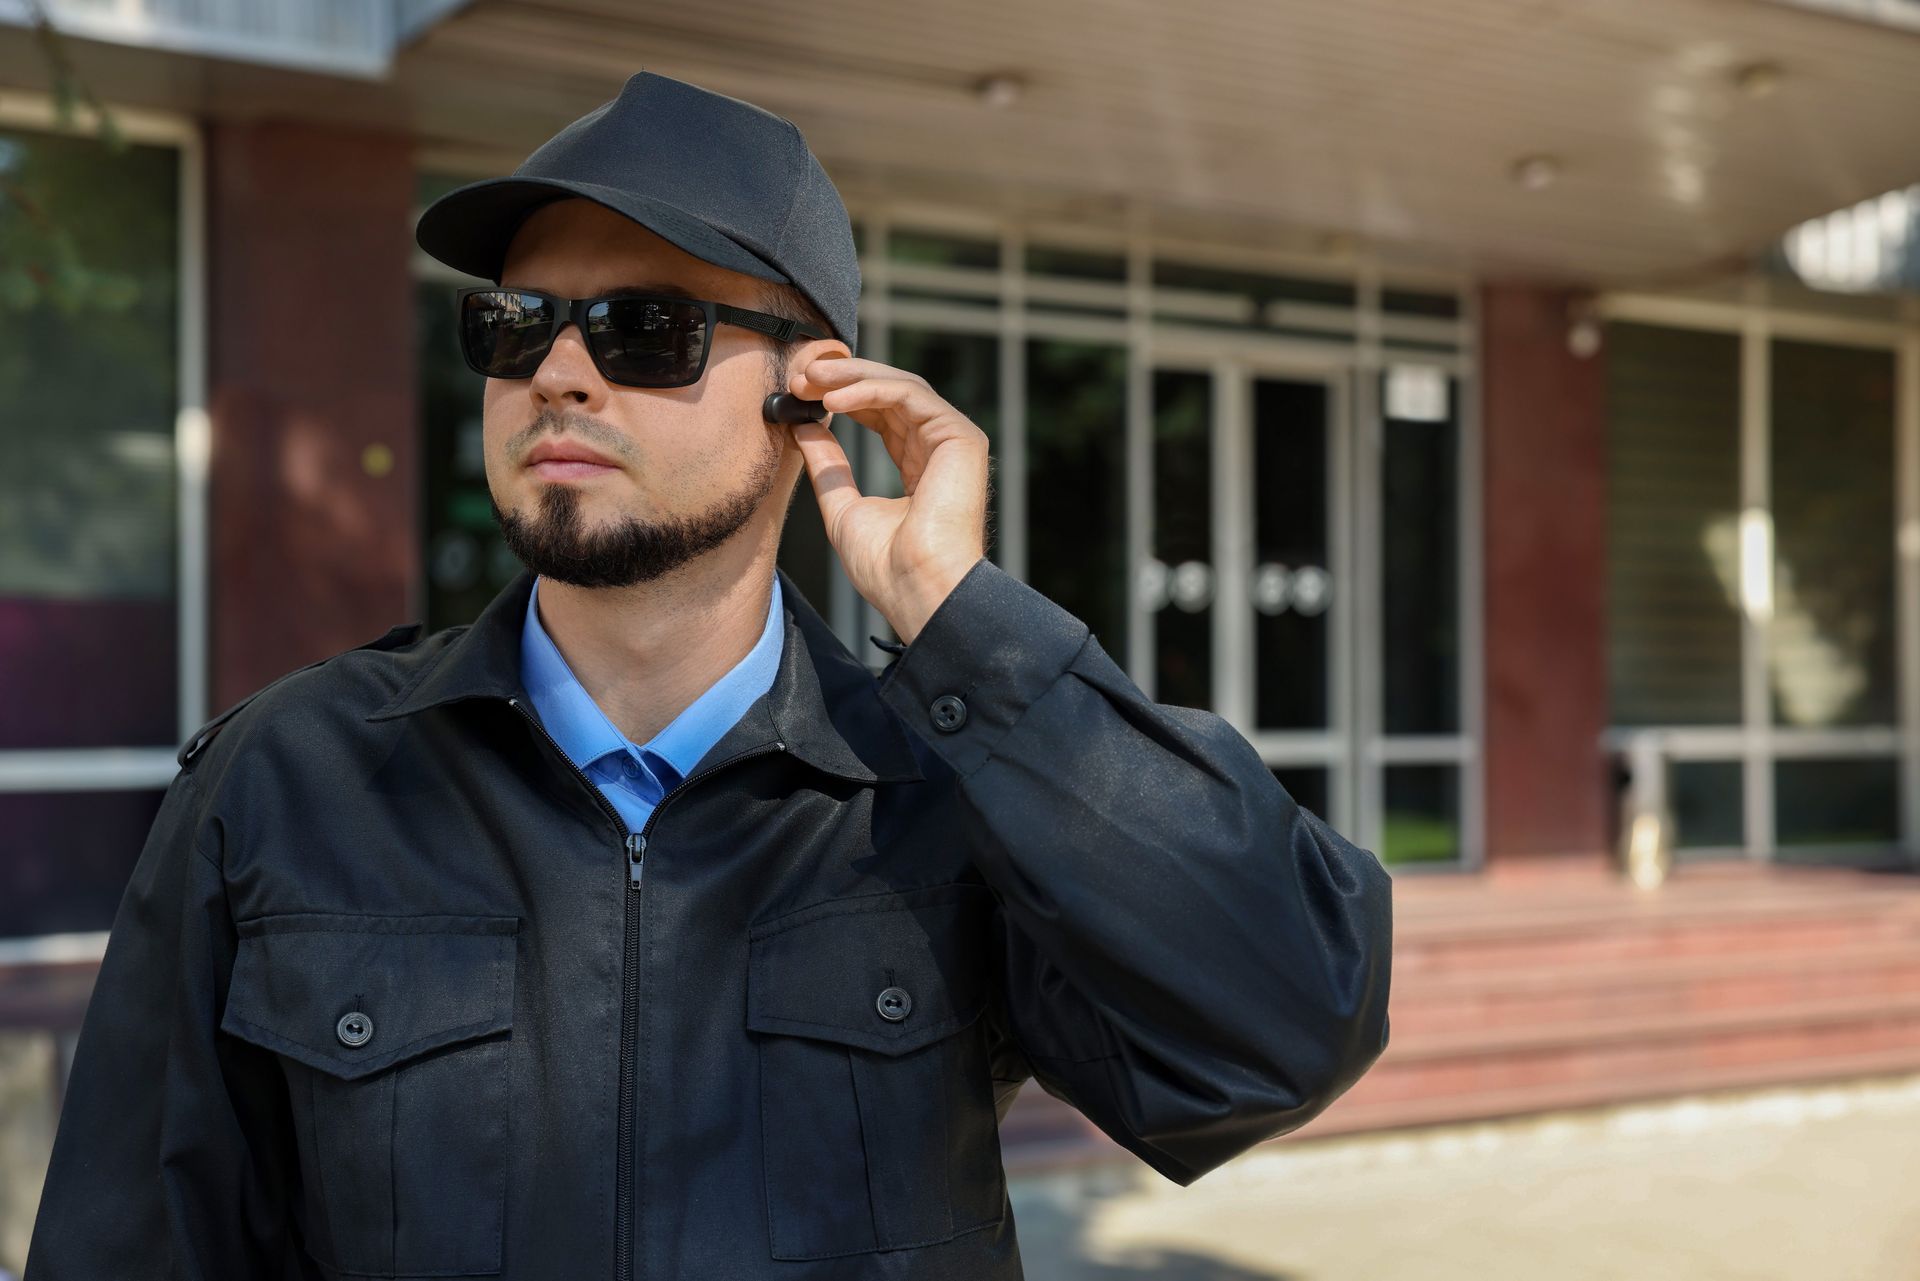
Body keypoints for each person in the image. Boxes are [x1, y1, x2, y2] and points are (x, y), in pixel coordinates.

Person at [23, 70, 1392, 1280]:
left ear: (816, 394)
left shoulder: (939, 786)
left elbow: (1283, 1029)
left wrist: (963, 624)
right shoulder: (286, 782)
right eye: (516, 323)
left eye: (642, 326)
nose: (558, 370)